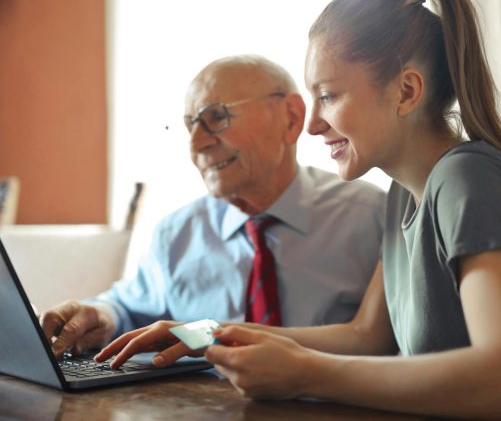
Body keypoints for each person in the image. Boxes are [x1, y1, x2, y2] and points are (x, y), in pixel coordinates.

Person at [96, 0, 501, 420]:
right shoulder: (403, 197)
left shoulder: (467, 178)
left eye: (328, 96)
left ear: (406, 92)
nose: (313, 125)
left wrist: (305, 372)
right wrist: (205, 334)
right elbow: (367, 337)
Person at [40, 55, 386, 358]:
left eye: (216, 117)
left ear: (291, 118)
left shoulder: (372, 217)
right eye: (191, 125)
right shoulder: (176, 233)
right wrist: (99, 316)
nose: (196, 144)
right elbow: (128, 308)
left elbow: (384, 343)